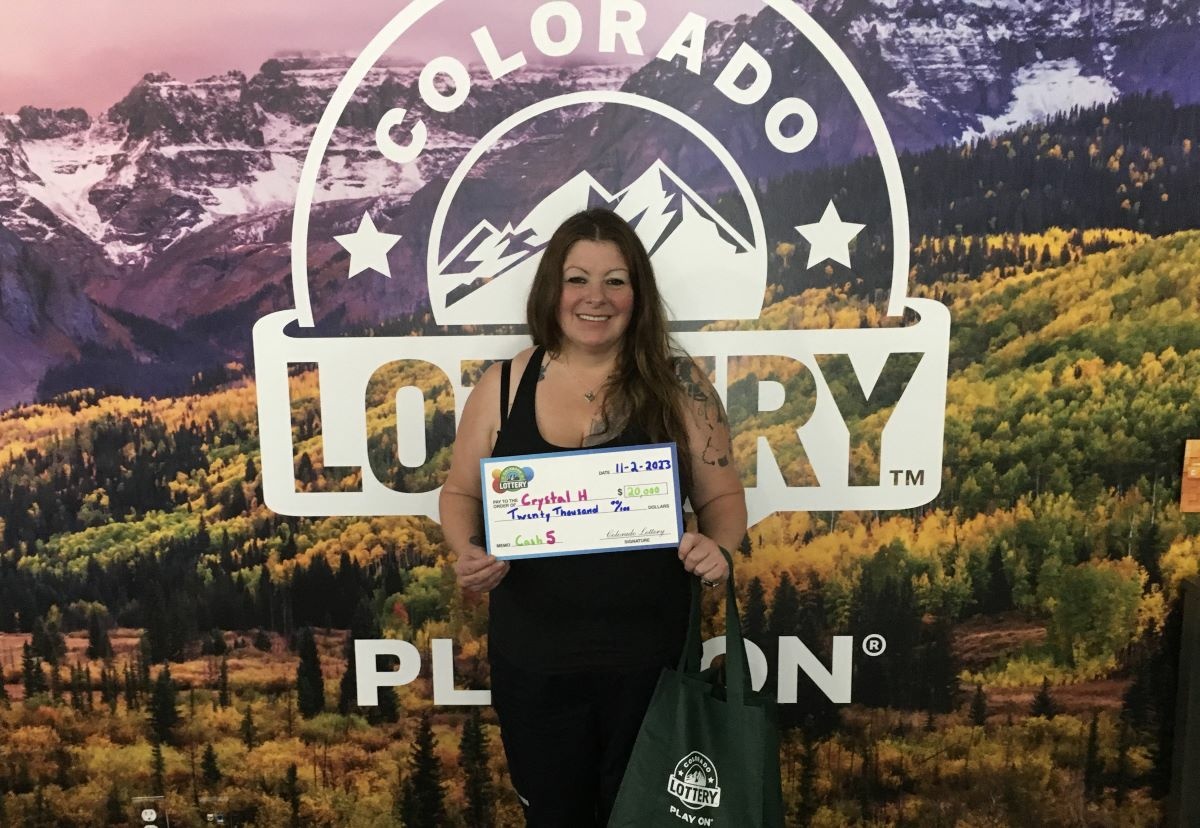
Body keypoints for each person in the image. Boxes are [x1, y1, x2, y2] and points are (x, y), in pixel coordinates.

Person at [439, 207, 746, 826]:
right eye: (577, 279)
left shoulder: (681, 387)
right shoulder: (502, 387)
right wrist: (466, 550)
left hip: (651, 666)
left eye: (616, 280)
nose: (595, 298)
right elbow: (458, 494)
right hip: (536, 664)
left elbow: (723, 499)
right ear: (552, 289)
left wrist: (721, 549)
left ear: (639, 294)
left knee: (645, 818)